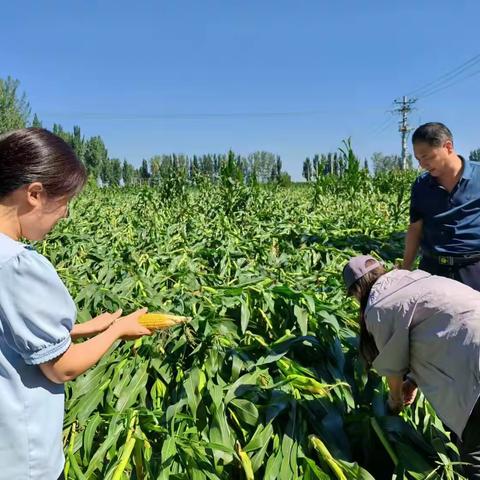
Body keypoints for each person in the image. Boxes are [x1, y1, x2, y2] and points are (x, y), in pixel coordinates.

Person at [0, 128, 152, 480]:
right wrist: (117, 330)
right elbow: (61, 368)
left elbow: (8, 327)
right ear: (34, 193)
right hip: (21, 457)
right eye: (64, 202)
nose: (65, 215)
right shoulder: (19, 265)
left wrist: (78, 328)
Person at [343, 254, 480, 479]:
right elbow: (436, 329)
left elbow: (393, 367)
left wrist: (394, 402)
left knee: (474, 457)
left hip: (473, 367)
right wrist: (414, 381)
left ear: (357, 291)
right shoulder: (415, 278)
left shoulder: (378, 307)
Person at [402, 122, 480, 291]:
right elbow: (415, 228)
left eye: (427, 157)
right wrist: (405, 269)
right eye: (418, 159)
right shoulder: (421, 185)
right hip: (433, 271)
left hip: (474, 269)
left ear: (448, 147)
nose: (423, 164)